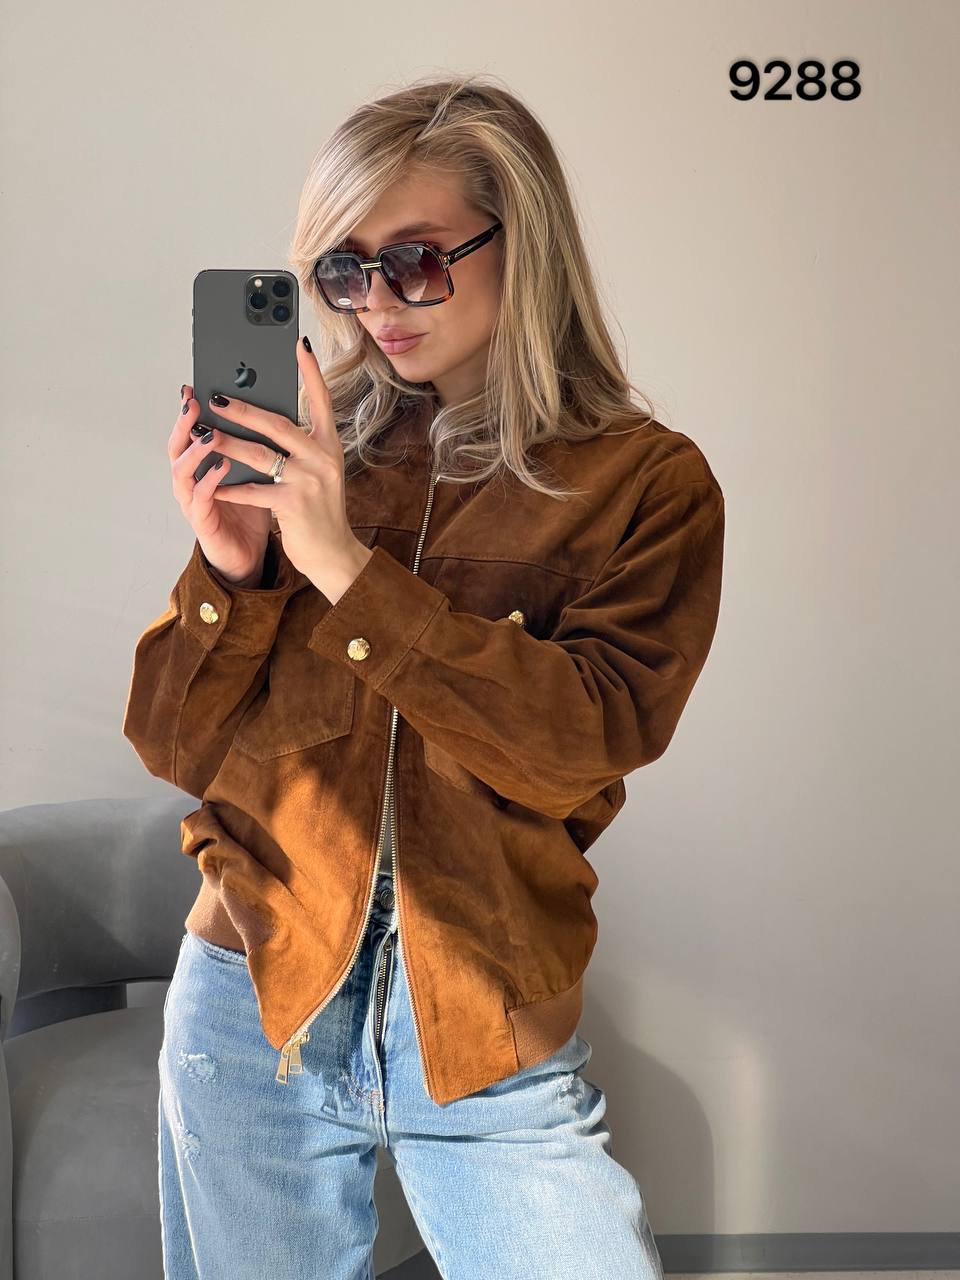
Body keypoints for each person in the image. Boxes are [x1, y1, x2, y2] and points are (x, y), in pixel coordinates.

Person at [124, 73, 724, 1280]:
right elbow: (175, 744)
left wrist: (345, 566)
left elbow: (579, 740)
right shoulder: (316, 447)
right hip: (256, 989)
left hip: (481, 1004)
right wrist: (230, 570)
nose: (376, 305)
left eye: (415, 260)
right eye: (346, 270)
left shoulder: (645, 484)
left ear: (521, 242)